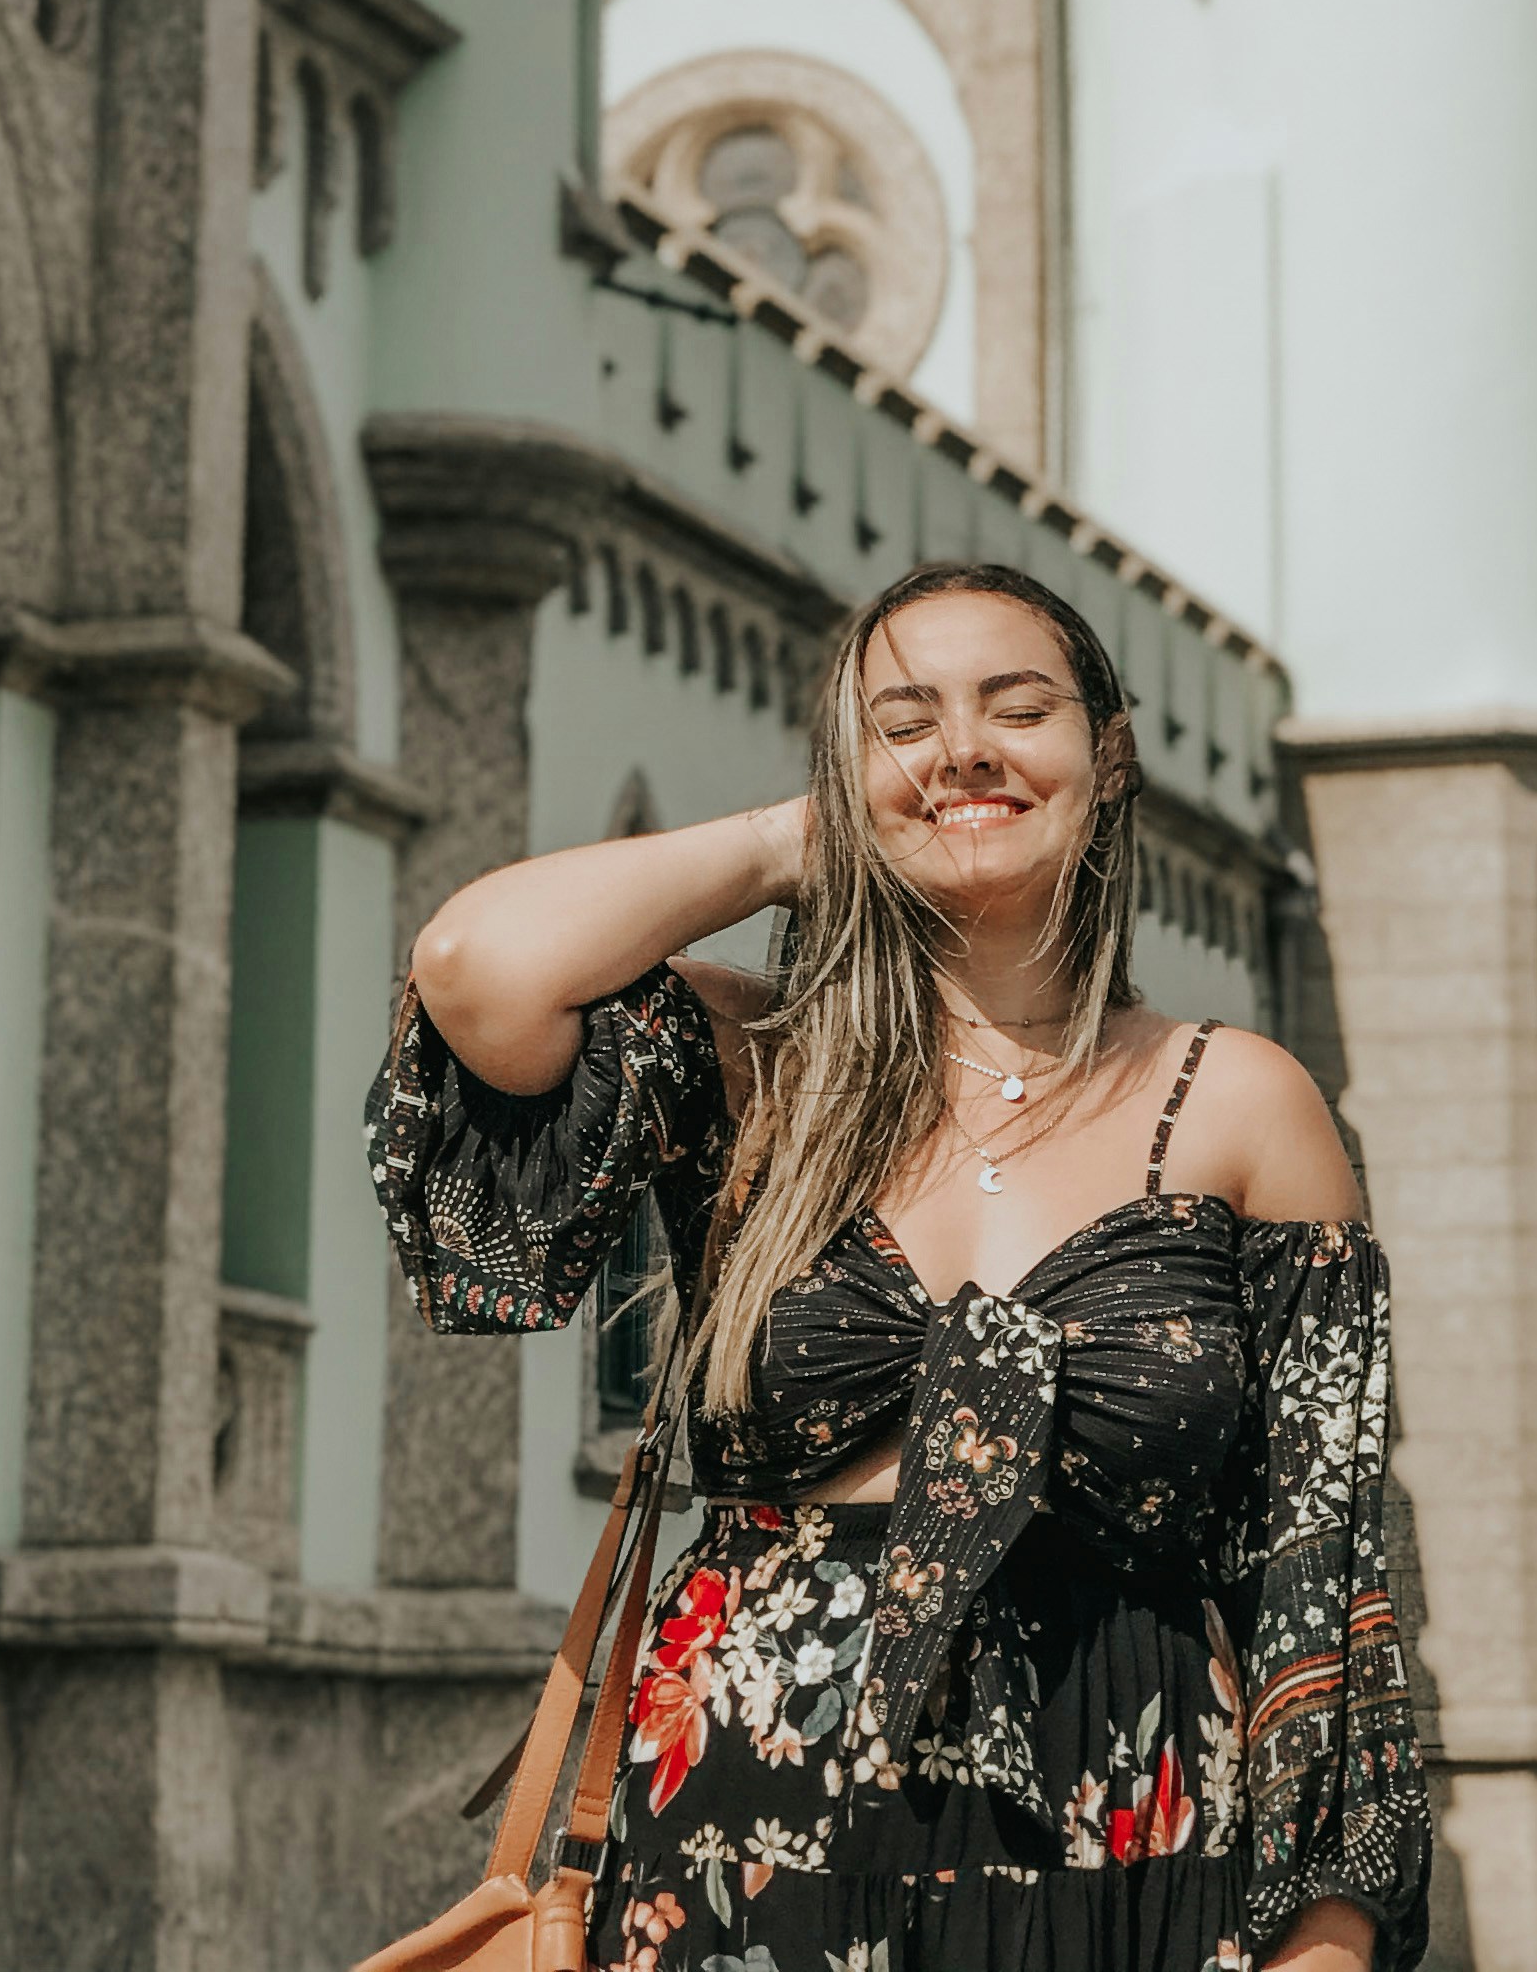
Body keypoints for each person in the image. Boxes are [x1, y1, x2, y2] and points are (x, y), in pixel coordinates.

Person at [370, 559, 1433, 1972]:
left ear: (1108, 756)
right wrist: (787, 840)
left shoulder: (1242, 1104)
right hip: (743, 1836)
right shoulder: (753, 1069)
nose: (966, 749)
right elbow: (475, 970)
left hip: (1135, 1843)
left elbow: (1326, 1574)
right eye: (904, 721)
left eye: (1018, 708)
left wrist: (1328, 1944)